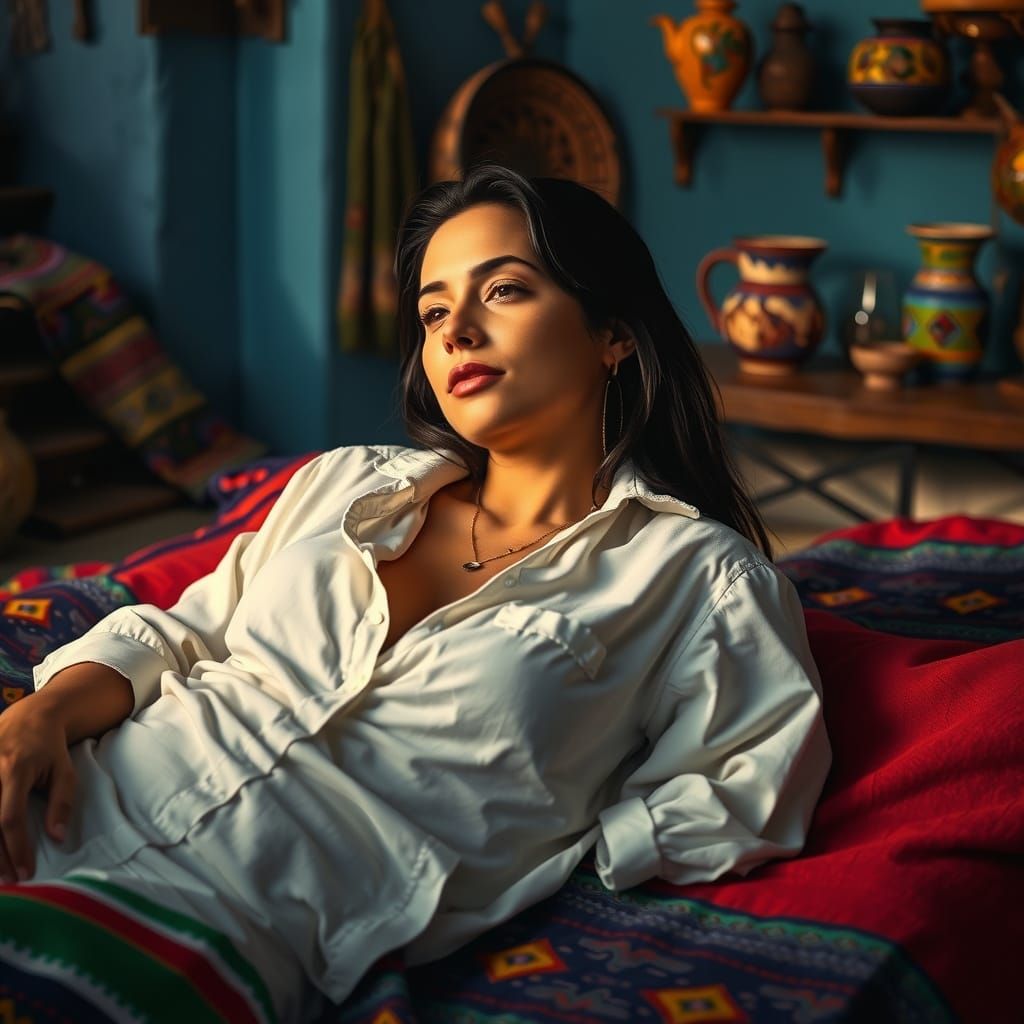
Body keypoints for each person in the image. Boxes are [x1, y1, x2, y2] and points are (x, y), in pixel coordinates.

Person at [0, 164, 831, 1023]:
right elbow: (185, 632)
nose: (457, 331)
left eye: (503, 290)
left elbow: (745, 785)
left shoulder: (698, 577)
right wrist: (43, 713)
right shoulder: (344, 484)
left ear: (613, 332)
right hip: (54, 799)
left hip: (229, 921)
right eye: (434, 312)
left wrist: (559, 855)